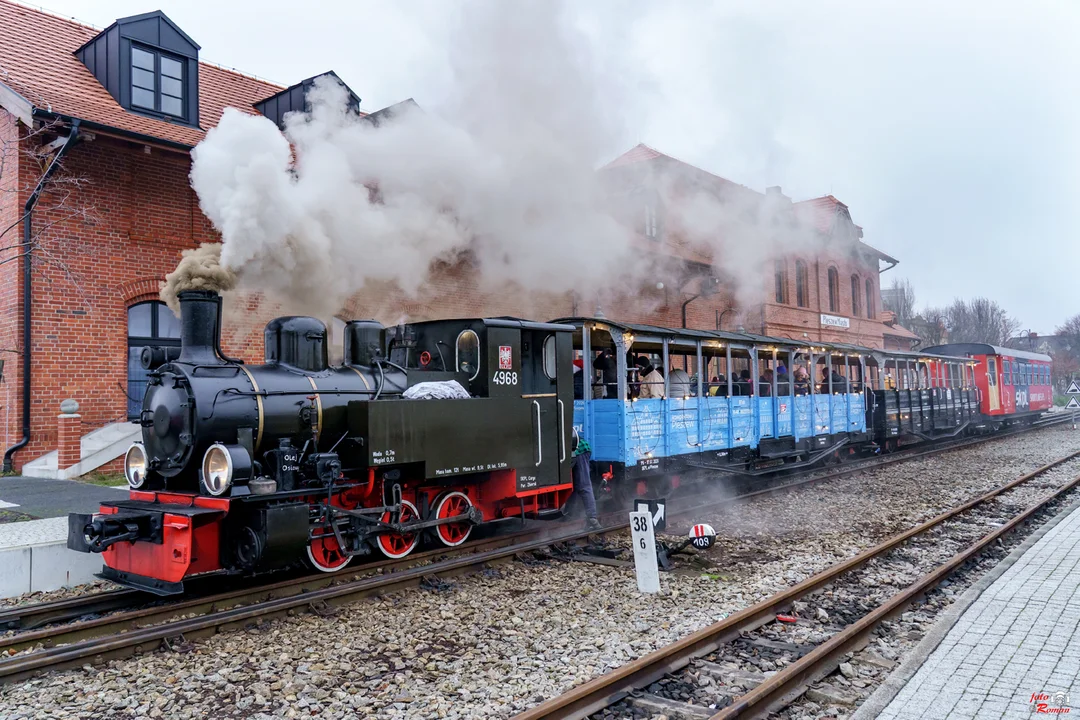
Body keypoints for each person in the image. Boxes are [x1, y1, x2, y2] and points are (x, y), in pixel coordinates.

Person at [571, 429, 601, 531]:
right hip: (571, 451)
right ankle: (569, 514)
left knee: (583, 485)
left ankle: (592, 518)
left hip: (579, 451)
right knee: (572, 485)